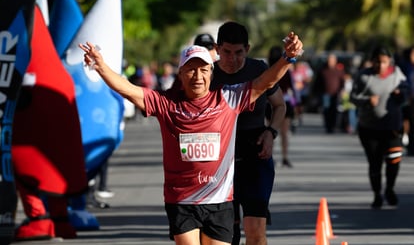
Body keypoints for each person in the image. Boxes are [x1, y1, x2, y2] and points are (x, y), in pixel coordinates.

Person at [78, 31, 303, 245]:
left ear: (211, 73)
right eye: (191, 70)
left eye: (203, 70)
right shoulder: (167, 104)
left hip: (219, 201)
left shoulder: (228, 99)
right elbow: (128, 89)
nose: (197, 76)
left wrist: (287, 57)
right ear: (181, 74)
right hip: (182, 201)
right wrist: (100, 66)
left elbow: (264, 82)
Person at [202, 23, 285, 245]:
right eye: (227, 52)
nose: (233, 59)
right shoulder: (206, 75)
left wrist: (271, 132)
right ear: (218, 49)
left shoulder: (258, 70)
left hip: (255, 156)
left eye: (239, 52)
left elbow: (280, 106)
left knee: (256, 231)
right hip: (218, 162)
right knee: (227, 235)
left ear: (247, 49)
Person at [350, 46, 409, 209]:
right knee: (375, 163)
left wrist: (400, 95)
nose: (381, 66)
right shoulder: (363, 76)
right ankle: (377, 194)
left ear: (389, 61)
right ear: (372, 61)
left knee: (394, 160)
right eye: (378, 62)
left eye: (384, 62)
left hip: (392, 127)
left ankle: (390, 188)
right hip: (369, 129)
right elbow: (353, 97)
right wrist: (367, 101)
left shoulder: (397, 74)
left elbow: (406, 92)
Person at [267, 45, 298, 169]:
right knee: (284, 133)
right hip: (284, 102)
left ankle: (271, 157)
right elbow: (292, 88)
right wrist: (297, 103)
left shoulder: (268, 70)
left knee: (270, 131)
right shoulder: (285, 70)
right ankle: (284, 157)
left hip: (269, 103)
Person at [313, 53, 345, 133]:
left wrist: (342, 90)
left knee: (334, 110)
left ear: (335, 61)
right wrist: (316, 93)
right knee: (326, 109)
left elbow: (342, 82)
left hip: (335, 94)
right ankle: (328, 126)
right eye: (329, 60)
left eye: (332, 60)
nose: (330, 62)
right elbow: (317, 83)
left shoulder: (339, 71)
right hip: (325, 94)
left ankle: (333, 125)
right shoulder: (322, 70)